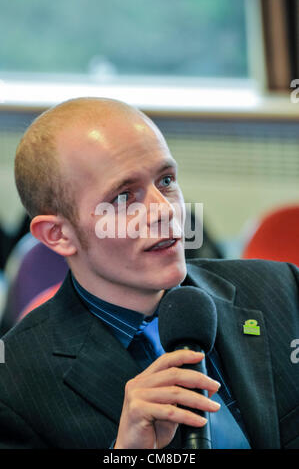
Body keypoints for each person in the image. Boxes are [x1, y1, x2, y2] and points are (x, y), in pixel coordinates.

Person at [0, 97, 298, 449]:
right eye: (124, 197)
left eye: (167, 180)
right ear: (59, 234)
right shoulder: (15, 386)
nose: (165, 211)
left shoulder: (281, 290)